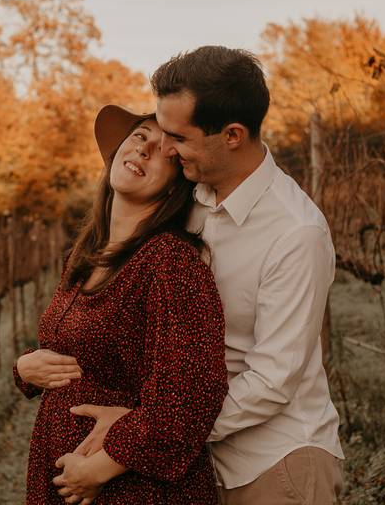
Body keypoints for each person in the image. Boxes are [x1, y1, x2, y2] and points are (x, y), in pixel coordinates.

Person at [58, 46, 345, 505]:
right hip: (189, 467)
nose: (167, 148)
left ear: (232, 135)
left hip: (273, 463)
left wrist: (151, 428)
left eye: (178, 137)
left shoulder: (296, 233)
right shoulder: (186, 201)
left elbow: (272, 381)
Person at [13, 105, 229, 504]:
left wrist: (101, 466)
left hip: (134, 490)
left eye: (163, 152)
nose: (144, 149)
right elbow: (78, 354)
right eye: (140, 136)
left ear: (174, 186)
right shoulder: (84, 258)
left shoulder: (170, 262)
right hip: (68, 479)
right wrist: (25, 369)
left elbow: (192, 394)